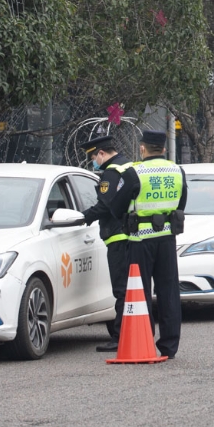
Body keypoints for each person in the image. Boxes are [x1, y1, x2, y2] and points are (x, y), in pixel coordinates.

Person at [107, 130, 186, 359]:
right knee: (168, 291)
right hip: (167, 239)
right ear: (163, 149)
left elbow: (116, 205)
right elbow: (182, 202)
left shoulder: (135, 172)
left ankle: (144, 340)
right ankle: (169, 346)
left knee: (140, 292)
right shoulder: (177, 170)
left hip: (140, 239)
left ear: (142, 148)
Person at [79, 135, 132, 352]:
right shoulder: (128, 165)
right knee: (134, 289)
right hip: (132, 234)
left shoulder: (111, 172)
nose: (93, 161)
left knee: (121, 290)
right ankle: (136, 332)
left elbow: (105, 206)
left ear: (101, 153)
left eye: (93, 157)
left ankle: (120, 337)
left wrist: (83, 217)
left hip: (118, 237)